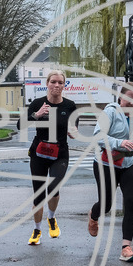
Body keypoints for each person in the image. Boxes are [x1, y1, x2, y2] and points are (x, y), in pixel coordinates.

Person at [86, 82, 133, 263]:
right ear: (121, 97)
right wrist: (118, 143)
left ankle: (126, 248)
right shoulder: (111, 112)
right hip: (107, 163)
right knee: (106, 204)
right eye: (130, 98)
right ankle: (94, 215)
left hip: (132, 162)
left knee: (131, 202)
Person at [25, 70, 77, 245]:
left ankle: (52, 218)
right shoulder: (38, 103)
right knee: (39, 195)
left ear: (64, 85)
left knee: (53, 187)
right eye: (53, 82)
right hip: (39, 154)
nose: (56, 85)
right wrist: (37, 115)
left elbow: (74, 127)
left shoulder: (70, 105)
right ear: (47, 83)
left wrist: (73, 131)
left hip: (59, 154)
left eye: (60, 82)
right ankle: (37, 230)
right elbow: (20, 124)